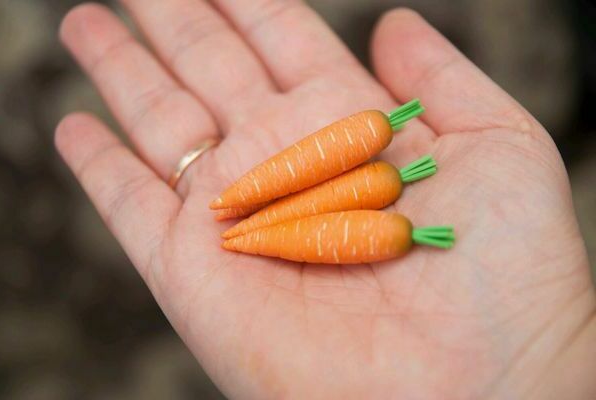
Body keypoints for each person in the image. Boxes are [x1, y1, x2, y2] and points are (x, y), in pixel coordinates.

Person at [55, 1, 595, 398]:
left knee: (304, 205)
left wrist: (538, 356)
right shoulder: (373, 145)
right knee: (274, 201)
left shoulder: (387, 191)